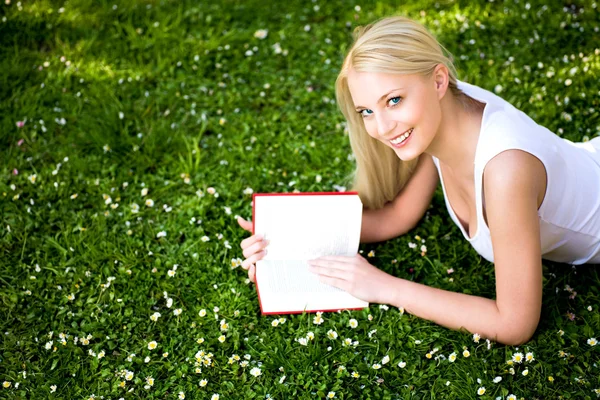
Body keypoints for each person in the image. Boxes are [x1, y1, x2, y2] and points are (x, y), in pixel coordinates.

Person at [236, 16, 600, 346]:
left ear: (439, 80)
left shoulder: (505, 171)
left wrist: (383, 287)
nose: (380, 127)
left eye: (393, 100)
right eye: (367, 111)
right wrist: (284, 238)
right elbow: (398, 217)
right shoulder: (441, 118)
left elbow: (514, 323)